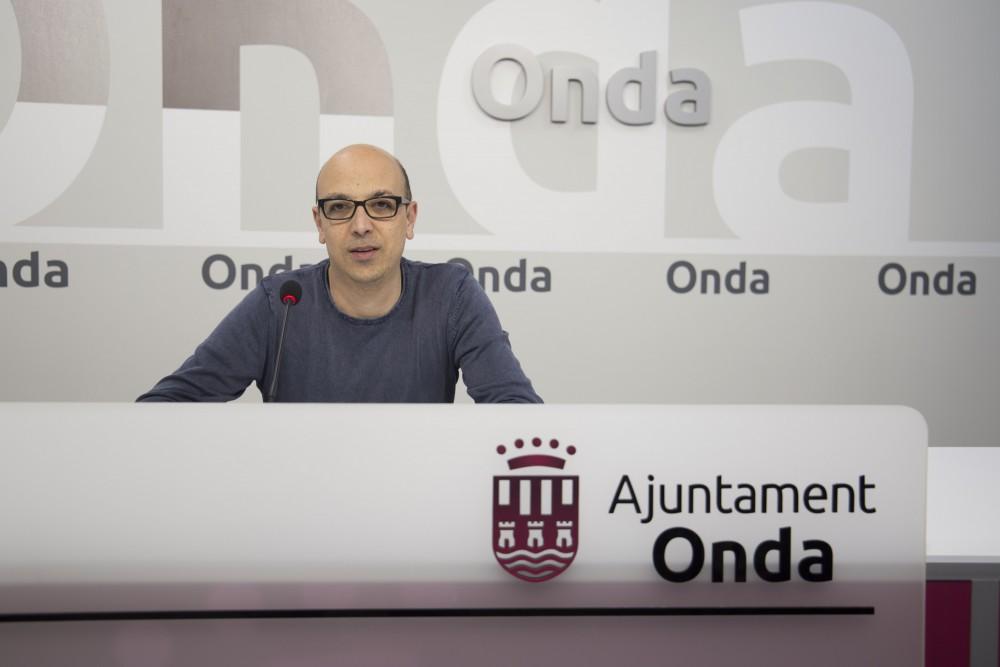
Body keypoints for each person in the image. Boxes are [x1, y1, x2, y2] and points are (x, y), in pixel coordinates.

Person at [138, 144, 541, 403]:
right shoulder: (281, 303)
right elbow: (164, 409)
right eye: (340, 208)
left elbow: (517, 414)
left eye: (381, 205)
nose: (361, 226)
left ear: (409, 218)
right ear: (319, 223)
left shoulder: (451, 295)